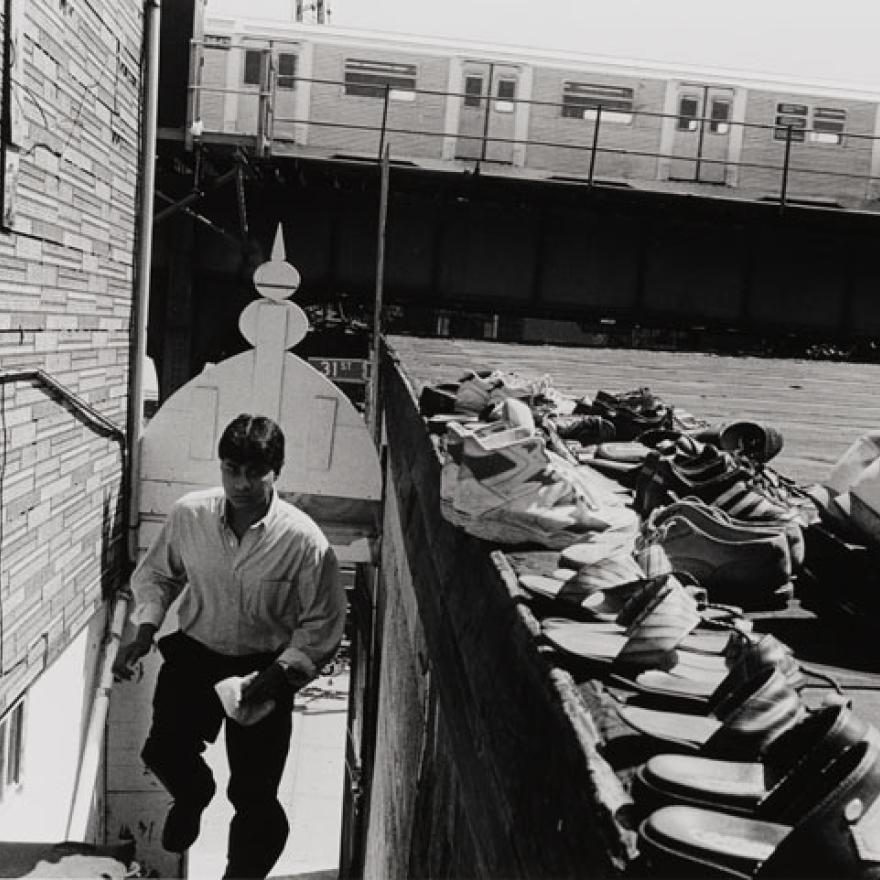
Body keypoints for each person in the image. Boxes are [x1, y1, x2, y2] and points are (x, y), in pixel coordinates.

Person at [113, 413, 346, 879]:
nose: (241, 483)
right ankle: (194, 794)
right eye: (231, 469)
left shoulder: (304, 540)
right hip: (197, 655)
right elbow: (159, 574)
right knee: (162, 752)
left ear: (275, 471)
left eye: (254, 472)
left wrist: (281, 675)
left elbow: (322, 621)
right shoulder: (189, 515)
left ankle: (242, 874)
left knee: (255, 798)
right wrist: (144, 628)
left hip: (264, 668)